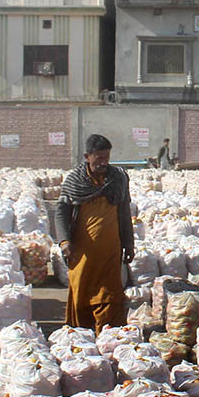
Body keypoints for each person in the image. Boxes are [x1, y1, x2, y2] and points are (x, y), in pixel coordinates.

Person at [55, 134, 134, 335]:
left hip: (110, 250)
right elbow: (61, 212)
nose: (103, 162)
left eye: (106, 157)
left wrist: (129, 244)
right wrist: (64, 242)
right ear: (87, 156)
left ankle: (107, 338)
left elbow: (124, 212)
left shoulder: (118, 179)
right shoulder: (75, 181)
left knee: (109, 296)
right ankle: (82, 338)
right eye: (99, 158)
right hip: (82, 253)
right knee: (81, 292)